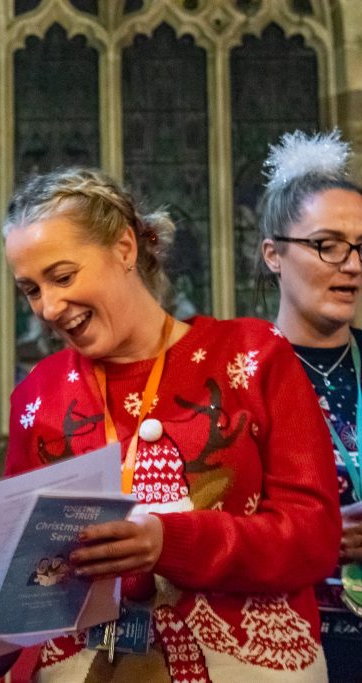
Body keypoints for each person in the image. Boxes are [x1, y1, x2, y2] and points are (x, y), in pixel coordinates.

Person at [2, 167, 341, 681]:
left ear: (124, 249)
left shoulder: (254, 356)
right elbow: (22, 582)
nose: (48, 307)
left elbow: (313, 537)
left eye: (63, 276)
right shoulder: (36, 394)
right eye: (30, 289)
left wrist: (171, 542)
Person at [257, 129, 362, 681]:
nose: (350, 264)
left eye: (361, 247)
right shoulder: (237, 373)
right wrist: (317, 539)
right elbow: (205, 519)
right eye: (328, 245)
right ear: (273, 254)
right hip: (288, 644)